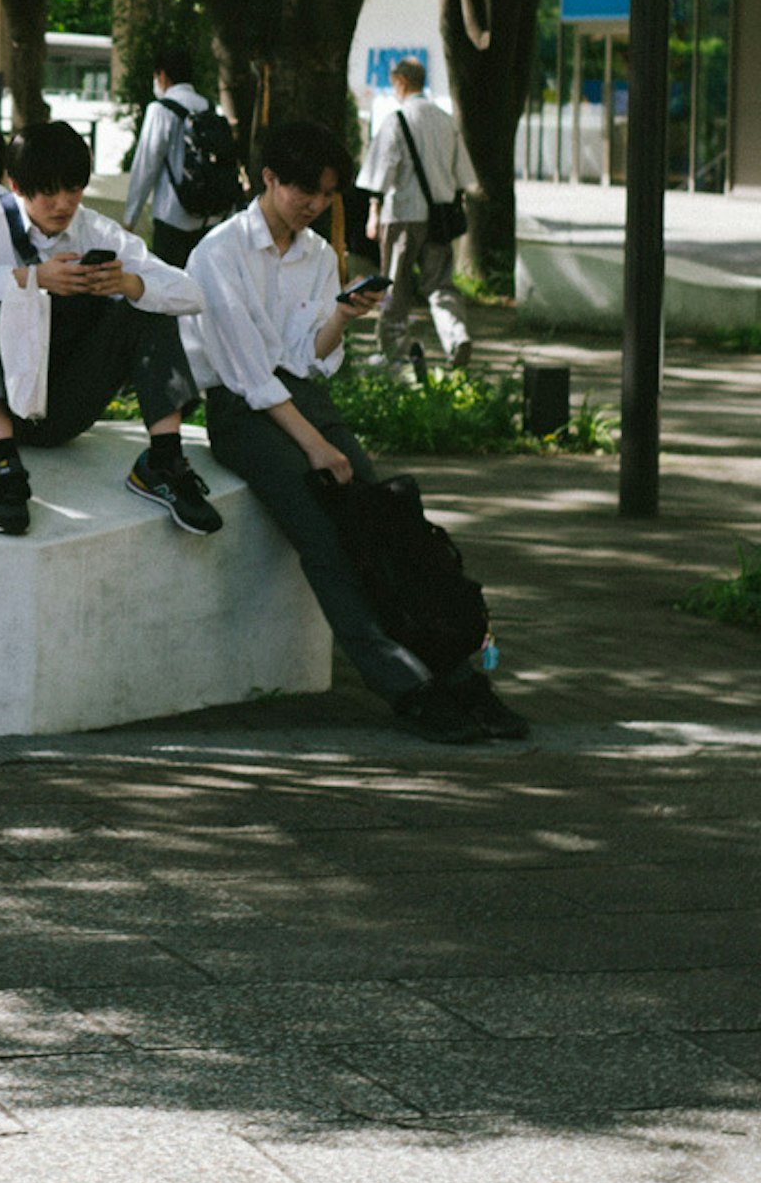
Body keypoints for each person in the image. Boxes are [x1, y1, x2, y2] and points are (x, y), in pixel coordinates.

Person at [187, 122, 527, 744]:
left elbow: (307, 356)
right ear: (268, 179)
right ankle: (406, 687)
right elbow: (249, 377)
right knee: (327, 539)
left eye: (326, 194)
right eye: (303, 192)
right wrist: (317, 447)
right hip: (241, 412)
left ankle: (458, 672)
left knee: (393, 528)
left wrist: (341, 315)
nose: (314, 205)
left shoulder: (316, 254)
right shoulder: (218, 253)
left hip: (302, 399)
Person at [0, 119, 216, 538]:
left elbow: (191, 294)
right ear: (17, 186)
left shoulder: (95, 229)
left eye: (73, 189)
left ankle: (164, 462)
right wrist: (32, 278)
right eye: (48, 191)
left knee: (147, 303)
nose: (62, 204)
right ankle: (4, 468)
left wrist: (130, 284)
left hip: (58, 409)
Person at [356, 57, 478, 368]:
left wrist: (373, 211)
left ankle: (391, 350)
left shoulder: (396, 120)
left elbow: (382, 173)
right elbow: (464, 176)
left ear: (400, 81)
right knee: (440, 284)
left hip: (402, 215)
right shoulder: (445, 119)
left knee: (396, 283)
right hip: (439, 218)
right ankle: (456, 336)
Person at [118, 55, 220, 269]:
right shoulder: (208, 107)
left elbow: (146, 166)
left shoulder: (161, 109)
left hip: (172, 216)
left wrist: (130, 219)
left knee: (169, 287)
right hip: (208, 215)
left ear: (162, 75)